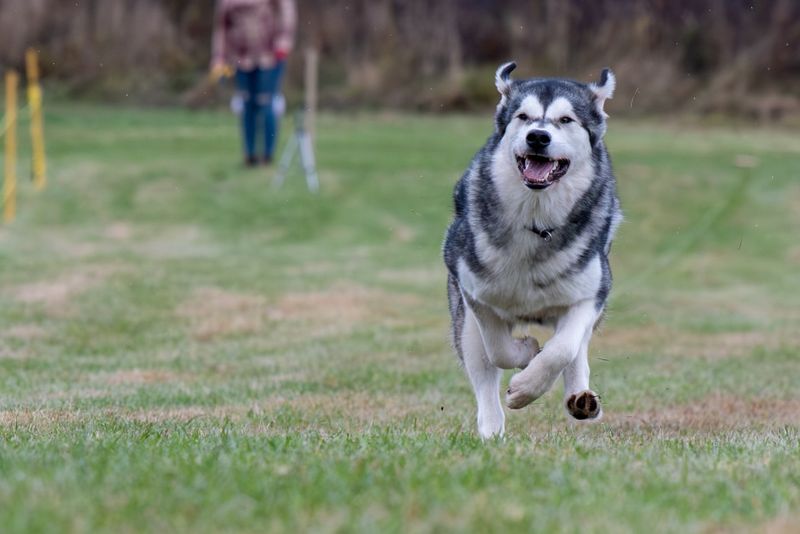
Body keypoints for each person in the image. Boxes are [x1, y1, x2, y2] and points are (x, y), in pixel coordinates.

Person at [211, 0, 296, 167]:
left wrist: (284, 40)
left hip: (269, 57)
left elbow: (287, 12)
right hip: (240, 58)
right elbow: (221, 28)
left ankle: (267, 155)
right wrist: (219, 58)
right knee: (246, 104)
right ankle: (249, 155)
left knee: (266, 103)